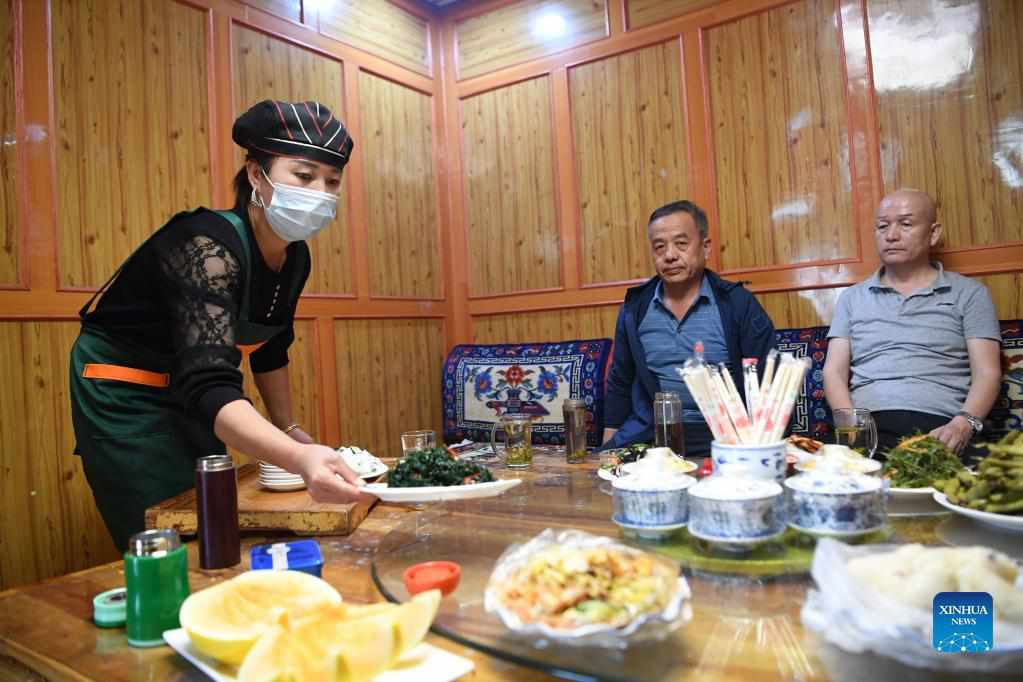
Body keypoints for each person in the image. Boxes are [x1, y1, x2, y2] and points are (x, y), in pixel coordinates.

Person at [69, 100, 371, 549]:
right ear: (256, 175)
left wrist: (288, 429)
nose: (320, 192)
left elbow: (271, 346)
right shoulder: (205, 246)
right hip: (125, 392)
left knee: (212, 515)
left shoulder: (295, 257)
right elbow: (211, 383)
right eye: (304, 176)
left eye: (332, 181)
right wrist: (299, 458)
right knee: (167, 533)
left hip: (195, 390)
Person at [823, 189, 1002, 457]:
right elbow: (833, 372)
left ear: (933, 233)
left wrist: (963, 424)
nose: (891, 235)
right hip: (870, 426)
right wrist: (851, 426)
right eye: (882, 226)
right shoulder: (852, 298)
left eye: (905, 224)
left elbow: (987, 373)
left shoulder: (970, 293)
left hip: (943, 426)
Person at [602, 200, 776, 457]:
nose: (670, 255)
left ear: (705, 247)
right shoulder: (635, 308)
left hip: (727, 438)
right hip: (654, 436)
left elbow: (768, 380)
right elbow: (621, 379)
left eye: (681, 243)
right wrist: (608, 450)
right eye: (659, 247)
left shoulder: (737, 304)